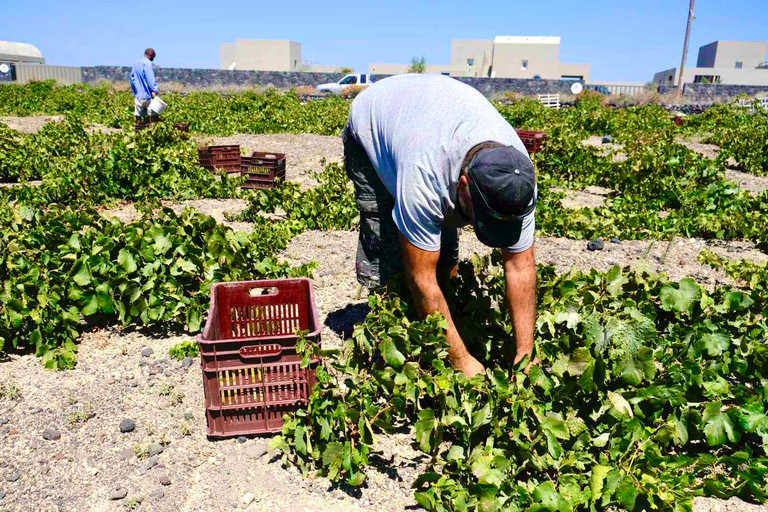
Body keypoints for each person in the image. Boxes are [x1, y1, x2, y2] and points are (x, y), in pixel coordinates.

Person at [342, 74, 537, 377]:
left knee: (445, 248)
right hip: (373, 125)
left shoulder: (518, 179)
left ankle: (440, 323)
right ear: (463, 186)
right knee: (384, 238)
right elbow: (421, 277)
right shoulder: (425, 173)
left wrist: (526, 353)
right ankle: (383, 331)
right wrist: (462, 362)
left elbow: (520, 267)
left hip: (436, 125)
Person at [130, 48, 159, 125]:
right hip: (147, 95)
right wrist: (154, 90)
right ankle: (153, 130)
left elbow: (132, 79)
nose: (153, 59)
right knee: (153, 113)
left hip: (138, 95)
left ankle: (138, 132)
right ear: (150, 55)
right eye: (153, 57)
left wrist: (135, 91)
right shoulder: (148, 63)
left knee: (138, 114)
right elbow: (150, 79)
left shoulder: (136, 63)